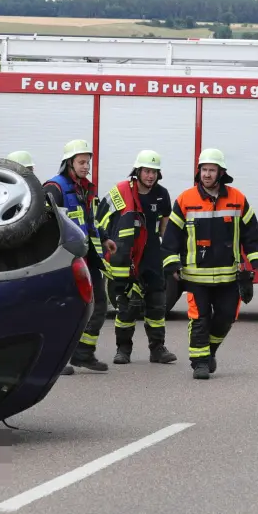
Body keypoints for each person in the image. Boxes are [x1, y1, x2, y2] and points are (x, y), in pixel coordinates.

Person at [161, 148, 258, 380]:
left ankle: (210, 351)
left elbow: (251, 231)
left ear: (221, 173)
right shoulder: (185, 200)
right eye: (204, 170)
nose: (207, 174)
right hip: (195, 277)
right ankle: (199, 363)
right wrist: (172, 264)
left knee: (226, 317)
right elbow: (171, 237)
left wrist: (256, 257)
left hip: (228, 276)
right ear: (199, 172)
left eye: (212, 170)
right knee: (199, 319)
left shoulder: (237, 198)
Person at [101, 150, 177, 365]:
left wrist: (172, 252)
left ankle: (158, 349)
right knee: (126, 305)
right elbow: (101, 219)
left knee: (156, 305)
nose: (150, 175)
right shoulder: (120, 192)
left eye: (154, 171)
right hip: (127, 257)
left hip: (152, 257)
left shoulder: (162, 195)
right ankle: (123, 350)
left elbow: (165, 228)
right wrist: (107, 250)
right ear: (138, 171)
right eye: (146, 171)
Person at [45, 139, 110, 373]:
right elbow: (47, 225)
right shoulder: (55, 188)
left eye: (88, 162)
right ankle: (55, 358)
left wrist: (104, 239)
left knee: (99, 303)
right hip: (66, 258)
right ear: (69, 163)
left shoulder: (86, 188)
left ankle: (83, 353)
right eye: (81, 162)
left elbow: (90, 219)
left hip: (87, 255)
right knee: (65, 307)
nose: (86, 166)